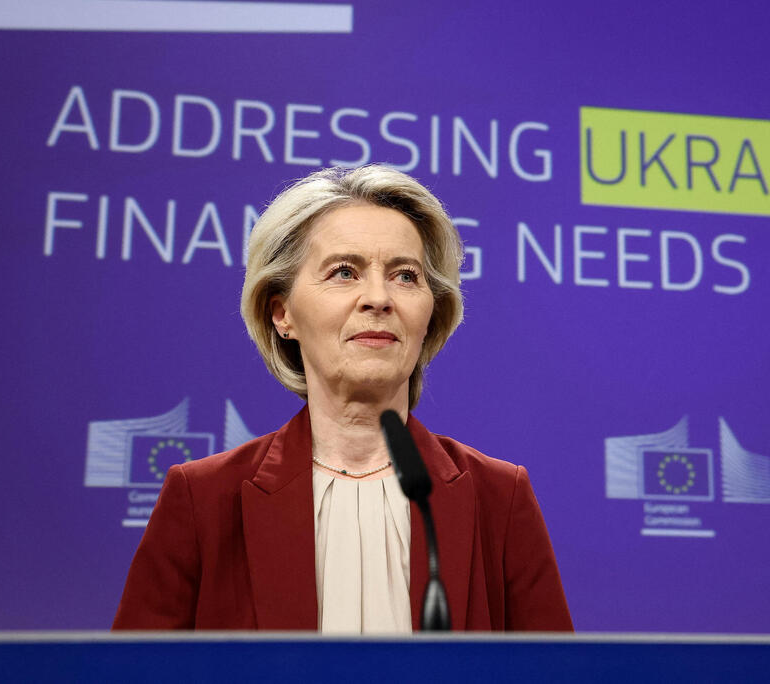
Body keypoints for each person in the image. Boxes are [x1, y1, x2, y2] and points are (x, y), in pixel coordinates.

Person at [112, 165, 573, 632]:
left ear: (431, 314)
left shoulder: (499, 497)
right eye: (344, 272)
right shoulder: (203, 499)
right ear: (282, 312)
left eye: (405, 276)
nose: (378, 297)